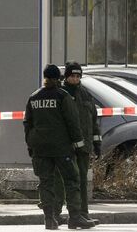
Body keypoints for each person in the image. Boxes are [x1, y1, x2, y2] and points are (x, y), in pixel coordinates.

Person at [23, 64, 95, 230]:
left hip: (40, 148)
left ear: (45, 77)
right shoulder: (62, 96)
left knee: (46, 183)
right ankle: (75, 218)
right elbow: (73, 122)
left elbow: (27, 123)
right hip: (62, 148)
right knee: (71, 180)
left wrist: (30, 144)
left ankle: (49, 219)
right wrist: (79, 144)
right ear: (59, 78)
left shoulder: (33, 97)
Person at [53, 62, 102, 226]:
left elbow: (94, 121)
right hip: (66, 146)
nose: (75, 78)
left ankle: (82, 213)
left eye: (77, 76)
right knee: (61, 180)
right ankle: (56, 213)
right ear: (66, 77)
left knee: (81, 180)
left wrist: (97, 143)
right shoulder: (60, 94)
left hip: (84, 146)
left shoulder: (85, 94)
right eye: (72, 76)